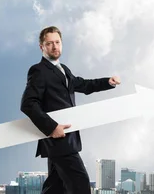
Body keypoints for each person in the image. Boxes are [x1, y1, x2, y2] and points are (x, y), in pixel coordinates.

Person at [20, 26, 121, 194]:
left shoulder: (64, 69)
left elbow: (84, 85)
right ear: (41, 47)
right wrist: (52, 127)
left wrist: (107, 82)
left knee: (55, 188)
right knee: (80, 184)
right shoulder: (38, 71)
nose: (54, 46)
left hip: (65, 139)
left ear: (62, 44)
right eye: (49, 43)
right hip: (58, 140)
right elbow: (28, 104)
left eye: (57, 42)